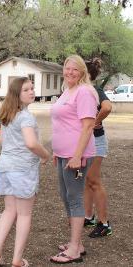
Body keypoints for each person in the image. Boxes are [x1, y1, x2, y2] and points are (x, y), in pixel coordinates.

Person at [0, 77, 50, 267]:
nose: (31, 92)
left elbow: (1, 140)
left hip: (5, 167)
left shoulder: (8, 115)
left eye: (32, 88)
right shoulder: (26, 117)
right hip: (22, 169)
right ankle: (16, 260)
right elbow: (31, 143)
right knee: (24, 214)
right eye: (26, 90)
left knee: (9, 210)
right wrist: (45, 154)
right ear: (16, 94)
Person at [50, 55, 99, 264]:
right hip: (63, 154)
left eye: (75, 70)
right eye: (67, 68)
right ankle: (76, 242)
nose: (70, 72)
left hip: (76, 155)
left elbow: (88, 126)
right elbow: (64, 123)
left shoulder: (85, 92)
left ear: (82, 72)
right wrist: (56, 150)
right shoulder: (67, 91)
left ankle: (74, 250)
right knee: (65, 196)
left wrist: (77, 155)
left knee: (75, 198)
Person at [83, 58, 113, 238]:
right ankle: (89, 217)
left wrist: (96, 121)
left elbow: (107, 107)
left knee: (94, 181)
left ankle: (104, 224)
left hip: (96, 142)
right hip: (85, 142)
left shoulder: (94, 90)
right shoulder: (81, 91)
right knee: (87, 180)